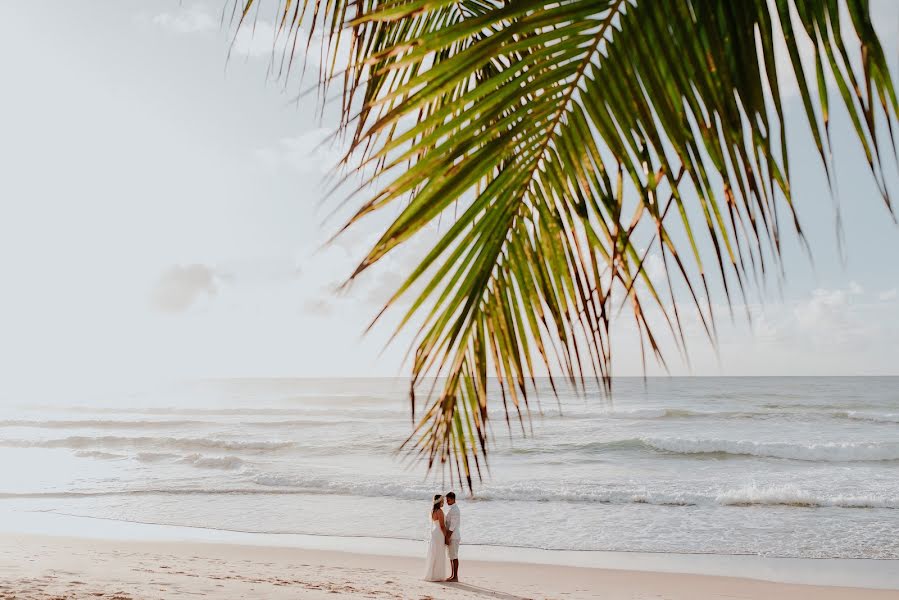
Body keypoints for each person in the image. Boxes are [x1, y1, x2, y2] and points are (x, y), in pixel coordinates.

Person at [422, 494, 449, 581]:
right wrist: (446, 536)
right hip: (439, 533)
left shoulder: (433, 511)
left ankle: (432, 574)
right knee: (439, 553)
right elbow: (442, 526)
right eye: (442, 501)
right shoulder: (439, 511)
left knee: (434, 553)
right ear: (439, 502)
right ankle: (437, 575)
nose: (443, 503)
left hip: (435, 532)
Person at [444, 491, 461, 582]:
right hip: (451, 536)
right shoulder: (451, 509)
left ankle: (455, 577)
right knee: (451, 556)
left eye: (449, 500)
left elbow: (452, 526)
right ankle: (452, 575)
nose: (447, 502)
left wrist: (447, 537)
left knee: (454, 556)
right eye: (446, 500)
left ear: (454, 499)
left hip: (454, 536)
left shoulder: (455, 510)